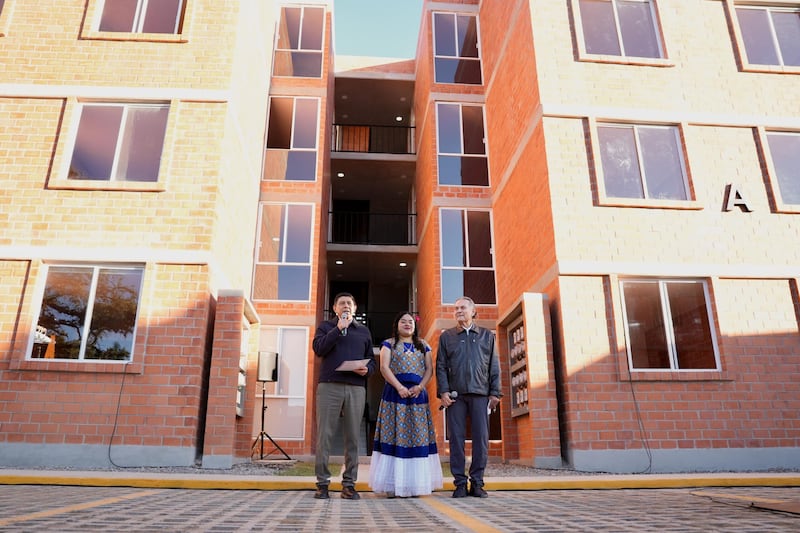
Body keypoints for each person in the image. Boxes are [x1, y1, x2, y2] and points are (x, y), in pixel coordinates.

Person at [369, 312, 443, 498]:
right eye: (403, 321)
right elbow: (384, 368)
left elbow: (429, 369)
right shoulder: (389, 344)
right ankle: (391, 486)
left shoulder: (424, 345)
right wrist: (399, 387)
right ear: (397, 325)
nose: (407, 324)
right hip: (394, 395)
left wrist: (420, 386)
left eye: (410, 321)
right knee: (393, 437)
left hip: (417, 396)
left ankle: (415, 486)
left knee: (417, 438)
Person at [436, 296, 502, 498]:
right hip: (455, 396)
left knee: (481, 440)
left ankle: (477, 483)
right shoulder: (447, 337)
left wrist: (495, 392)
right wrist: (443, 391)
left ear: (473, 311)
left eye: (463, 308)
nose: (458, 311)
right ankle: (460, 484)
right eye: (456, 308)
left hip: (480, 394)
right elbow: (440, 366)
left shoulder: (486, 336)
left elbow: (494, 365)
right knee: (456, 440)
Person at [312, 292, 376, 500]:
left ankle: (349, 485)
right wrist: (338, 328)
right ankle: (322, 484)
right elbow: (319, 349)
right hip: (329, 386)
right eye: (342, 303)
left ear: (355, 308)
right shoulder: (326, 327)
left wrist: (367, 370)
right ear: (335, 308)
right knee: (325, 436)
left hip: (356, 388)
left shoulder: (363, 331)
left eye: (349, 303)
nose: (346, 305)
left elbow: (371, 360)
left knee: (353, 438)